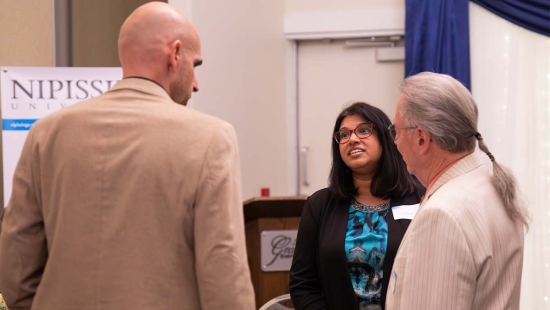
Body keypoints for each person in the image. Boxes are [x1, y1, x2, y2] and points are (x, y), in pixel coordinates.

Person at [0, 2, 255, 310]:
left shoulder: (44, 134)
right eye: (195, 65)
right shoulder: (211, 138)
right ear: (175, 55)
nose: (196, 83)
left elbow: (15, 271)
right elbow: (224, 278)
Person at [386, 72, 529, 310]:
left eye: (397, 131)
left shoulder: (442, 214)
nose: (395, 142)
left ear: (421, 138)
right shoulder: (492, 184)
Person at [290, 102, 425, 310]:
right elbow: (303, 285)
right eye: (343, 135)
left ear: (386, 138)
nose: (352, 139)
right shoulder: (319, 205)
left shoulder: (422, 199)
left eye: (363, 131)